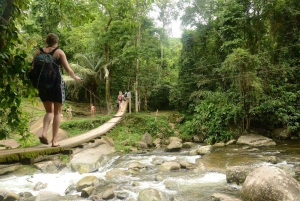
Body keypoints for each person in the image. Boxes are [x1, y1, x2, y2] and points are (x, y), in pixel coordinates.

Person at [32, 33, 81, 147]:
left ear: (46, 41)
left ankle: (44, 133)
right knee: (57, 113)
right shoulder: (59, 52)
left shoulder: (38, 52)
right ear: (56, 42)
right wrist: (75, 77)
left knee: (49, 111)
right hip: (56, 84)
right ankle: (54, 141)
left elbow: (32, 69)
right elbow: (68, 70)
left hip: (43, 86)